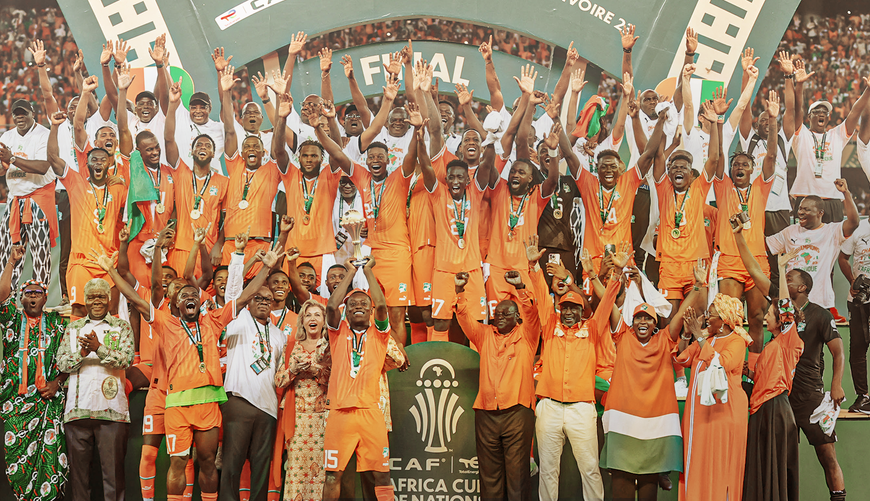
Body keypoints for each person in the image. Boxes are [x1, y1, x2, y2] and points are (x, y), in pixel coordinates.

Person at [313, 95, 421, 339]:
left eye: (379, 157)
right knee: (372, 312)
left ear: (387, 160)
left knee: (395, 315)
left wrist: (416, 130)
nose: (374, 160)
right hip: (371, 254)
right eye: (371, 157)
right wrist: (318, 130)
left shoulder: (398, 178)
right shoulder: (362, 177)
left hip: (398, 254)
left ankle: (397, 367)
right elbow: (338, 154)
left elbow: (412, 156)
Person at [527, 236, 622, 501]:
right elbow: (541, 297)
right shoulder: (550, 324)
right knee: (548, 470)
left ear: (582, 311)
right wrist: (534, 267)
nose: (568, 312)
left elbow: (605, 305)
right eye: (565, 307)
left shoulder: (592, 329)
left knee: (590, 469)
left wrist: (618, 273)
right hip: (550, 407)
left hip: (581, 408)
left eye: (574, 308)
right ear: (559, 308)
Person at [600, 262, 703, 501]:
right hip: (623, 425)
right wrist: (609, 277)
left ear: (656, 324)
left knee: (648, 493)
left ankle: (660, 476)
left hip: (655, 427)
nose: (642, 322)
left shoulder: (665, 340)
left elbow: (679, 314)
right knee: (621, 490)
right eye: (638, 318)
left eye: (648, 318)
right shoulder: (623, 337)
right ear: (632, 322)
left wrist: (697, 286)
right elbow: (608, 305)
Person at [730, 219, 803, 501]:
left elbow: (783, 304)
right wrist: (739, 239)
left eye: (770, 311)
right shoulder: (768, 348)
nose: (765, 313)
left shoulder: (788, 340)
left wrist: (782, 268)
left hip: (775, 411)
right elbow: (752, 271)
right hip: (760, 413)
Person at [454, 269, 540, 501]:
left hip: (517, 412)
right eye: (497, 312)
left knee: (517, 475)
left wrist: (520, 287)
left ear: (516, 317)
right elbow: (464, 318)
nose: (499, 316)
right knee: (489, 476)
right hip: (486, 413)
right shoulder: (484, 335)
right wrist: (459, 291)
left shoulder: (528, 335)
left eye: (506, 313)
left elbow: (532, 313)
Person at [714, 91, 780, 366]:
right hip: (729, 260)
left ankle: (751, 370)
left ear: (752, 170)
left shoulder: (760, 188)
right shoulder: (722, 186)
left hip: (757, 261)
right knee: (729, 316)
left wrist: (774, 120)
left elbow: (773, 156)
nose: (740, 167)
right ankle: (728, 366)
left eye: (745, 164)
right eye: (736, 164)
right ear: (730, 170)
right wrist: (718, 121)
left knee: (756, 317)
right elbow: (717, 155)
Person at [321, 257, 395, 501]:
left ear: (371, 310)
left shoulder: (379, 334)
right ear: (347, 311)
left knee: (382, 475)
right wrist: (352, 271)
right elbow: (331, 307)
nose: (358, 307)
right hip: (340, 414)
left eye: (364, 303)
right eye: (352, 305)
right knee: (333, 475)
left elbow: (382, 305)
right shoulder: (337, 332)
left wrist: (369, 270)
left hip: (371, 413)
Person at [0, 245, 68, 501]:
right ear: (21, 298)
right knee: (17, 465)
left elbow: (70, 362)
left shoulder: (58, 324)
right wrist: (11, 263)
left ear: (45, 297)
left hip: (48, 404)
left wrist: (57, 383)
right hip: (16, 405)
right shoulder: (11, 319)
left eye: (37, 293)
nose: (32, 297)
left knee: (51, 464)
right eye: (27, 293)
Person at [57, 278, 135, 501]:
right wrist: (82, 354)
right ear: (85, 301)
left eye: (101, 296)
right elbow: (62, 364)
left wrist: (98, 348)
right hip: (77, 412)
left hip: (111, 412)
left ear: (109, 300)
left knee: (113, 479)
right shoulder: (73, 329)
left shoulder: (121, 327)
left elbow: (126, 359)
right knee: (79, 481)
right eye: (91, 297)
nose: (97, 301)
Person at [46, 109, 128, 320]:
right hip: (81, 262)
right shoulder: (75, 182)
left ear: (110, 163)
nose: (98, 162)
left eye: (103, 159)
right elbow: (53, 158)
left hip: (109, 262)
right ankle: (75, 353)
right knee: (79, 312)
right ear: (87, 164)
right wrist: (54, 127)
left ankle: (111, 353)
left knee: (112, 314)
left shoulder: (118, 187)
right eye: (94, 159)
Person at [776, 269, 848, 500]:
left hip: (811, 397)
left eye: (789, 279)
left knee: (827, 457)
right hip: (784, 395)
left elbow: (838, 352)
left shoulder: (820, 315)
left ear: (802, 288)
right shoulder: (781, 315)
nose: (785, 282)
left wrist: (836, 384)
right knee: (783, 459)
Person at [674, 293, 753, 501]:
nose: (707, 317)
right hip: (699, 414)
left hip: (724, 413)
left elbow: (721, 363)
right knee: (698, 461)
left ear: (724, 319)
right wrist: (687, 333)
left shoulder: (736, 341)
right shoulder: (707, 340)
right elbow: (681, 358)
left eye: (712, 313)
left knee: (719, 464)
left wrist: (699, 336)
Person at [219, 279, 287, 501]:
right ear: (249, 301)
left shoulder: (279, 335)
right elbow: (233, 293)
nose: (264, 302)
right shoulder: (239, 321)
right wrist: (240, 255)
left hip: (268, 408)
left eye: (268, 299)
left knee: (261, 468)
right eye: (258, 298)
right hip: (239, 401)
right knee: (232, 464)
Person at [653, 100, 720, 310]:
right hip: (670, 265)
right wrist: (661, 124)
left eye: (684, 166)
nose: (679, 169)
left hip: (696, 263)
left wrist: (715, 124)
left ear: (691, 175)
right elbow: (657, 156)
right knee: (669, 321)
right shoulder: (663, 188)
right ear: (669, 172)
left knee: (696, 319)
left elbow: (714, 157)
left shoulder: (699, 189)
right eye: (674, 166)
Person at [165, 74, 229, 278]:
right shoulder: (181, 172)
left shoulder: (223, 182)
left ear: (214, 152)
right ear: (192, 152)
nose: (203, 148)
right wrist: (173, 106)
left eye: (207, 146)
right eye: (198, 145)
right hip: (181, 248)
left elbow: (226, 220)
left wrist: (220, 245)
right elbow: (168, 140)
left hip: (209, 251)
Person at [766, 180, 859, 312]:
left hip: (820, 301)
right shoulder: (790, 231)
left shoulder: (832, 232)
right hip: (791, 300)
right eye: (800, 209)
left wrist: (846, 193)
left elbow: (854, 222)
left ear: (820, 213)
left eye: (806, 209)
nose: (800, 212)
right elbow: (766, 245)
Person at [790, 71, 869, 224]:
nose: (821, 114)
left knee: (833, 245)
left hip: (832, 199)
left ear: (828, 118)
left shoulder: (837, 135)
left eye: (825, 112)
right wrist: (799, 84)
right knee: (804, 243)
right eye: (817, 111)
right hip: (806, 199)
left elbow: (854, 113)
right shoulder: (801, 135)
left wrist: (868, 90)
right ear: (809, 117)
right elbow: (797, 109)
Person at [273, 299, 330, 501]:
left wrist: (317, 372)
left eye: (317, 315)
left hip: (323, 419)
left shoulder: (330, 346)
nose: (312, 318)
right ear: (302, 321)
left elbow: (336, 380)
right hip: (296, 419)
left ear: (324, 321)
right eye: (308, 315)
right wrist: (293, 371)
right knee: (296, 469)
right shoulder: (291, 346)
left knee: (322, 471)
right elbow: (279, 380)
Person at [0, 99, 57, 290]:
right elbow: (3, 169)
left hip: (37, 199)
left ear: (33, 113)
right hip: (14, 200)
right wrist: (4, 165)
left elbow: (43, 167)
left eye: (24, 113)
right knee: (8, 253)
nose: (19, 117)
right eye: (16, 114)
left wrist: (13, 159)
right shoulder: (7, 136)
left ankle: (39, 303)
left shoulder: (44, 134)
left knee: (40, 256)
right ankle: (5, 303)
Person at [845, 104, 870, 414]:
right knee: (857, 350)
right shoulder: (860, 226)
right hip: (861, 293)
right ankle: (863, 397)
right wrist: (853, 280)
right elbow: (841, 256)